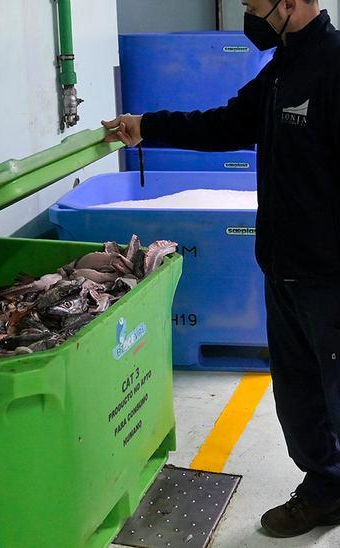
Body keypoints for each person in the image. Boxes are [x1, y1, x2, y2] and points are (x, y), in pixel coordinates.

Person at [103, 0, 340, 538]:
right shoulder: (282, 67)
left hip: (331, 277)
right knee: (299, 397)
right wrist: (148, 127)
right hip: (283, 270)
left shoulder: (334, 65)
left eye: (255, 1)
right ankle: (326, 490)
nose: (249, 12)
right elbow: (229, 123)